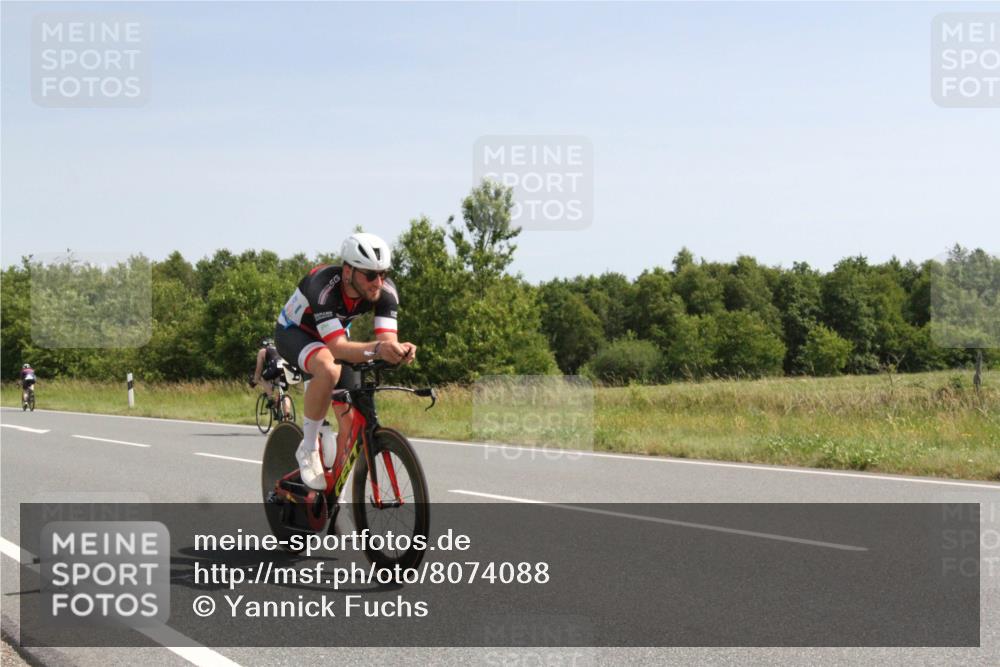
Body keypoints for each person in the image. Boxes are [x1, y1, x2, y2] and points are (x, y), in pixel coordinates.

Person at [274, 232, 416, 489]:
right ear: (348, 271)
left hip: (333, 335)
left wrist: (398, 351)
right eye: (370, 275)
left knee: (350, 424)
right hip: (296, 333)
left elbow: (386, 339)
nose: (378, 281)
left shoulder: (385, 291)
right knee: (328, 368)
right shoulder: (323, 284)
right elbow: (337, 348)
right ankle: (307, 449)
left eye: (383, 273)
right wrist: (379, 349)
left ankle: (335, 499)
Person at [250, 338, 291, 415]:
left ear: (264, 345)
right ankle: (287, 414)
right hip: (285, 369)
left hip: (274, 367)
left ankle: (271, 398)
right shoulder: (279, 349)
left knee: (263, 378)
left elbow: (259, 369)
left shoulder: (262, 351)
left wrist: (255, 380)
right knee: (284, 393)